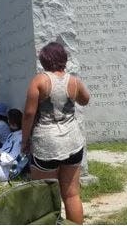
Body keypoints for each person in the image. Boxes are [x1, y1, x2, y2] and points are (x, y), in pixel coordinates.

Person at [22, 42, 90, 224]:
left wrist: (24, 140)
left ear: (44, 60)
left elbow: (29, 114)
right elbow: (85, 100)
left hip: (46, 144)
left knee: (44, 196)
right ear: (63, 59)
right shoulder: (74, 81)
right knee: (72, 194)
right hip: (72, 141)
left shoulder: (39, 81)